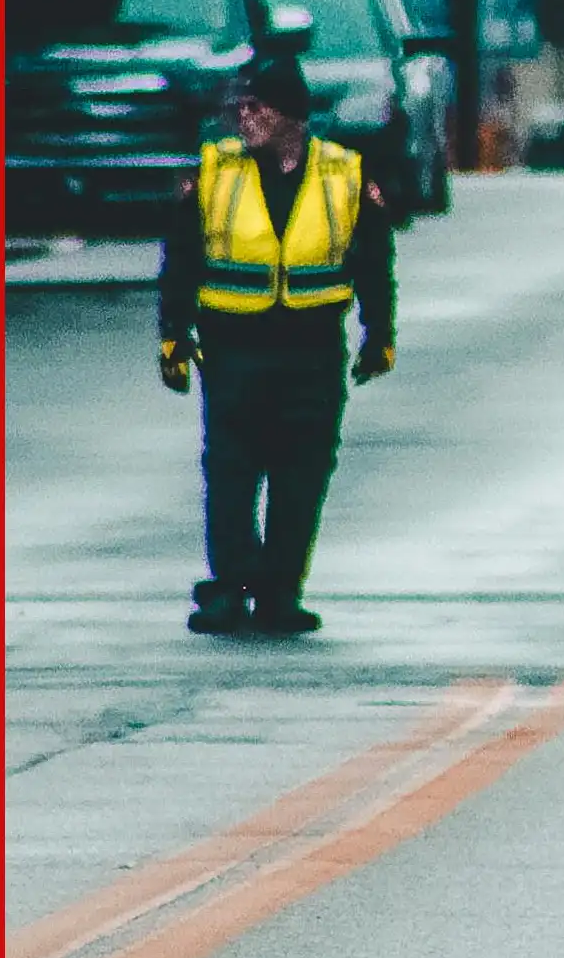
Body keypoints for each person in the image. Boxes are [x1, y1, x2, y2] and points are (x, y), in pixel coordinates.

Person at [157, 56, 396, 637]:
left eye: (256, 106)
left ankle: (281, 593)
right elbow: (182, 258)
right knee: (232, 471)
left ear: (290, 114)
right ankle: (230, 592)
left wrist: (378, 334)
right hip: (233, 346)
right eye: (239, 105)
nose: (243, 116)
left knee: (302, 475)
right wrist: (172, 335)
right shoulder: (215, 171)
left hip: (312, 351)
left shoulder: (344, 174)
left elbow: (373, 260)